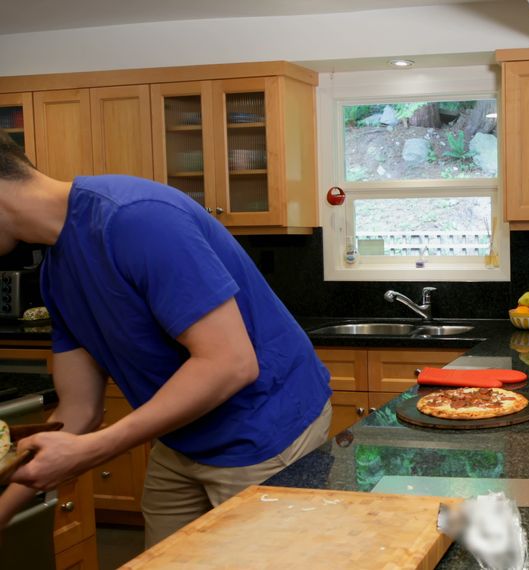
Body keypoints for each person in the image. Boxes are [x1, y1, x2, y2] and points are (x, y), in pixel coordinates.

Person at [0, 131, 332, 547]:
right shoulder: (56, 273)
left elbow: (230, 363)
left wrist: (93, 451)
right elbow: (78, 410)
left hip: (264, 428)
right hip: (183, 437)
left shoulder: (136, 218)